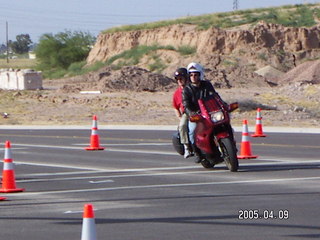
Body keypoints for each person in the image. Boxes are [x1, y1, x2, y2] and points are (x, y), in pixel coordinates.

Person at [182, 62, 229, 163]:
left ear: (200, 75)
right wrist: (192, 113)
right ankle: (197, 153)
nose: (193, 77)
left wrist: (223, 104)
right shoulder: (187, 90)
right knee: (192, 131)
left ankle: (231, 144)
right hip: (197, 115)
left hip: (210, 112)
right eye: (191, 75)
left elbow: (215, 96)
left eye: (195, 74)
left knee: (225, 122)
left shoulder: (207, 85)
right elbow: (186, 105)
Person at [172, 67, 193, 158]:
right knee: (182, 125)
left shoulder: (193, 88)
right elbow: (175, 107)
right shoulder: (177, 93)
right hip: (187, 113)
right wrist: (180, 117)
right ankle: (187, 147)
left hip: (200, 110)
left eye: (181, 78)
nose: (179, 80)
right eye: (177, 79)